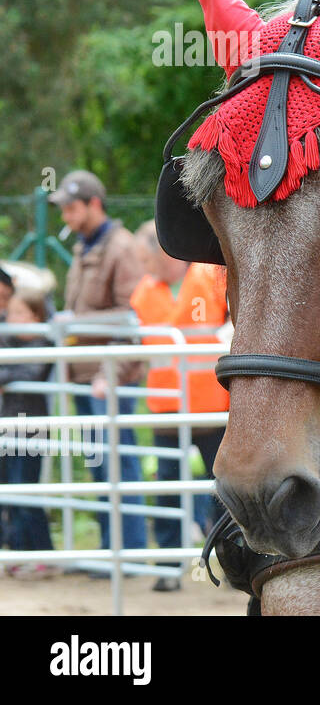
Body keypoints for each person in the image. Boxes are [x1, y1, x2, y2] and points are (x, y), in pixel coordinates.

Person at [49, 169, 148, 568]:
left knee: (119, 462)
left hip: (109, 378)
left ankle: (131, 554)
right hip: (83, 375)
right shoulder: (84, 245)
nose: (66, 217)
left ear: (93, 204)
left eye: (71, 208)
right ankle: (111, 551)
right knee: (98, 464)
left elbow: (133, 317)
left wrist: (111, 372)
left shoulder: (120, 248)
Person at [129, 221, 229, 592]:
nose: (144, 267)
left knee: (222, 488)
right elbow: (139, 347)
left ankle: (231, 560)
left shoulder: (209, 275)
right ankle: (169, 566)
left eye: (146, 259)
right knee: (168, 488)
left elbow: (238, 315)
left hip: (212, 407)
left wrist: (228, 332)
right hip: (166, 408)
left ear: (163, 252)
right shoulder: (143, 293)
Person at [1, 286, 57, 578]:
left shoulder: (42, 345)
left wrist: (5, 375)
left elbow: (29, 373)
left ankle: (41, 555)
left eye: (20, 313)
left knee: (27, 494)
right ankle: (20, 553)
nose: (12, 318)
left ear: (37, 316)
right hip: (9, 428)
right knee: (11, 494)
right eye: (11, 313)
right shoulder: (9, 341)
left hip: (31, 429)